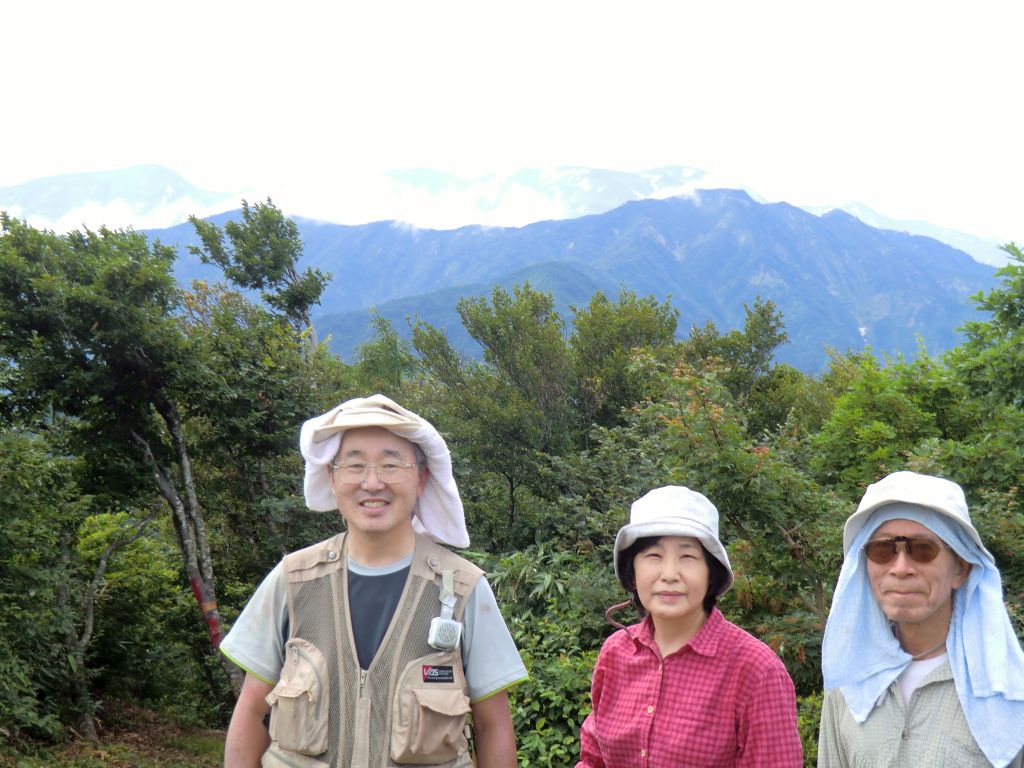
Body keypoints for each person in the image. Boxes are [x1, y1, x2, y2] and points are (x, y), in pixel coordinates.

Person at [221, 395, 528, 768]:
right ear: (332, 478)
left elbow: (493, 725)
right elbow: (252, 711)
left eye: (391, 464)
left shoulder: (463, 588)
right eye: (354, 465)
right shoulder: (292, 580)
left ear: (421, 478)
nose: (372, 482)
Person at [577, 486, 804, 768]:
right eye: (653, 556)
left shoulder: (755, 670)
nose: (669, 574)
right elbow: (594, 760)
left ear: (712, 573)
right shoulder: (615, 653)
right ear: (632, 573)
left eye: (688, 557)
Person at [819, 471, 1024, 767]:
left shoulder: (1011, 689)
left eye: (923, 550)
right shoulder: (849, 682)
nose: (901, 568)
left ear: (961, 568)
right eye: (883, 550)